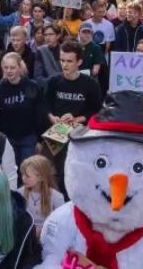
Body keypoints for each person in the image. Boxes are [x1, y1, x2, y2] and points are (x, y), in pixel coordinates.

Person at [43, 41, 103, 194]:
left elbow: (97, 110)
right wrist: (53, 117)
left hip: (80, 132)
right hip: (57, 130)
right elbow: (45, 105)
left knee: (78, 172)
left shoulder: (90, 84)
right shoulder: (53, 82)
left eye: (69, 61)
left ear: (79, 62)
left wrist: (77, 119)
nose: (65, 65)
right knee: (50, 170)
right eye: (62, 60)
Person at [0, 52, 44, 167]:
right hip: (8, 138)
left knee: (28, 169)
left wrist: (39, 139)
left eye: (12, 67)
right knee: (10, 169)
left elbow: (39, 114)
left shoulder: (32, 86)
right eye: (6, 67)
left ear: (19, 68)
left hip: (28, 137)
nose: (9, 71)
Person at [18, 155, 64, 238]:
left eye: (27, 176)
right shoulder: (20, 193)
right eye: (22, 175)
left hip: (47, 238)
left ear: (41, 177)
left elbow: (61, 224)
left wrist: (43, 231)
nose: (23, 178)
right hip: (26, 237)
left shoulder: (56, 197)